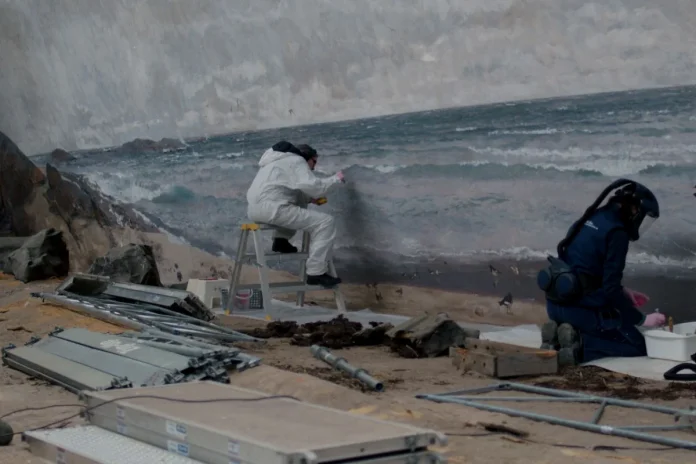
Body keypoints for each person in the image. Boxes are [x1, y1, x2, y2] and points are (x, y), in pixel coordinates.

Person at [537, 179, 665, 366]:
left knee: (610, 314)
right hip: (580, 311)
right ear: (635, 210)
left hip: (555, 304)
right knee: (639, 346)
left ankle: (559, 334)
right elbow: (609, 290)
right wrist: (643, 319)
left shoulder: (591, 217)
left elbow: (580, 267)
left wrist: (623, 291)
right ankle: (580, 345)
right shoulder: (617, 232)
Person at [246, 140, 345, 288]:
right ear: (307, 157)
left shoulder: (275, 161)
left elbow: (286, 189)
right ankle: (316, 273)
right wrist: (336, 179)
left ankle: (281, 241)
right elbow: (315, 187)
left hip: (255, 210)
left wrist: (310, 199)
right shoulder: (297, 160)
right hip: (274, 209)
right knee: (326, 222)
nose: (314, 166)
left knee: (296, 202)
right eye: (314, 162)